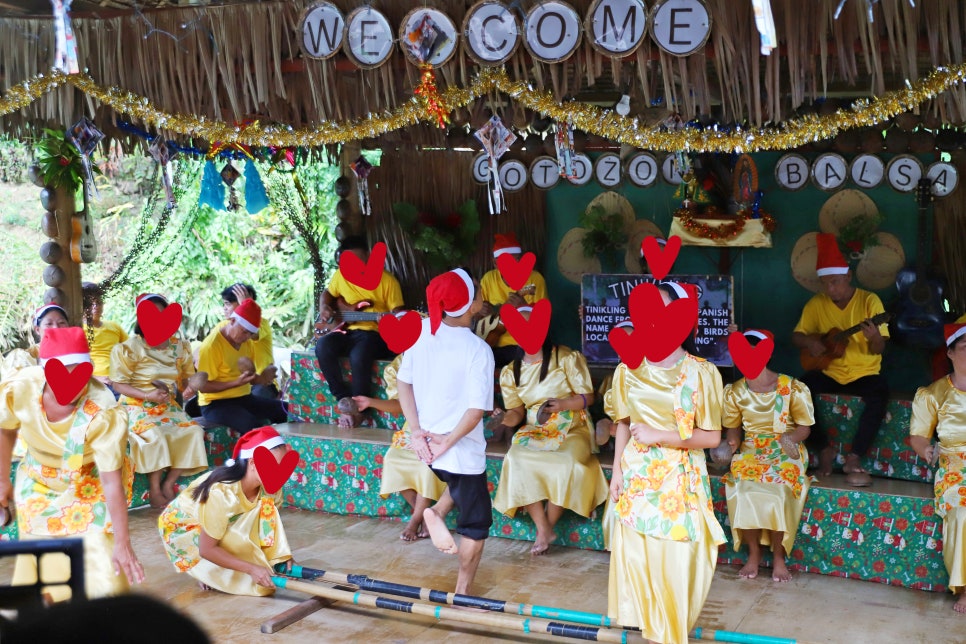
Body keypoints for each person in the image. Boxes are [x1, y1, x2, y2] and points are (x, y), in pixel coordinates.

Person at [607, 282, 725, 644]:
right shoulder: (628, 367)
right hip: (637, 475)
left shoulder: (701, 373)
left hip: (679, 480)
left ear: (681, 317)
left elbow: (712, 437)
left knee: (675, 558)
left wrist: (663, 435)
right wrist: (616, 472)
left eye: (663, 310)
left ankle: (670, 632)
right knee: (640, 555)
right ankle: (650, 627)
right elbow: (623, 421)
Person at [0, 327, 144, 600]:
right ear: (44, 373)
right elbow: (5, 429)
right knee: (41, 554)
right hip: (37, 481)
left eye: (80, 374)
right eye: (60, 375)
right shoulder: (21, 388)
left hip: (90, 482)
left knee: (99, 554)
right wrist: (2, 479)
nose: (72, 384)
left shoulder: (103, 411)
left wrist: (123, 542)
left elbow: (111, 481)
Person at [397, 268, 494, 594]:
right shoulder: (478, 349)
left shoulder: (420, 331)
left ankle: (435, 511)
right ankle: (463, 591)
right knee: (476, 527)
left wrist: (416, 431)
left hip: (427, 447)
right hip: (457, 450)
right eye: (479, 293)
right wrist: (448, 442)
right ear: (471, 305)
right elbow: (476, 411)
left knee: (457, 483)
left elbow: (403, 382)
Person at [491, 311, 608, 556]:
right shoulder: (511, 371)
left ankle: (547, 527)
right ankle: (543, 527)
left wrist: (564, 405)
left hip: (572, 426)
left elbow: (589, 396)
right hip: (536, 428)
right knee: (516, 458)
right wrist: (503, 418)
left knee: (566, 461)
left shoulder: (565, 357)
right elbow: (516, 412)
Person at [792, 233, 889, 485]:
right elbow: (797, 337)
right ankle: (823, 448)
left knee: (879, 395)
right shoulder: (816, 303)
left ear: (848, 276)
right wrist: (810, 342)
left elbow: (879, 349)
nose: (830, 289)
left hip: (864, 373)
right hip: (829, 373)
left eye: (835, 282)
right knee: (799, 390)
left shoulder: (870, 301)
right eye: (825, 283)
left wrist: (873, 337)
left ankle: (855, 456)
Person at [719, 329, 814, 583]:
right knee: (743, 488)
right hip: (750, 450)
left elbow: (804, 428)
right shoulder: (735, 391)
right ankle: (754, 554)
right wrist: (731, 443)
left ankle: (779, 558)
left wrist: (790, 439)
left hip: (785, 450)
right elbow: (733, 428)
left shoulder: (791, 388)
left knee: (778, 490)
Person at [158, 426, 294, 596]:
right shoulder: (222, 493)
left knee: (260, 562)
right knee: (257, 580)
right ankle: (204, 568)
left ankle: (218, 562)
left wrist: (280, 556)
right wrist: (252, 568)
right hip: (184, 529)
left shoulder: (271, 487)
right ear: (253, 462)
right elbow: (206, 549)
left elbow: (267, 526)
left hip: (219, 525)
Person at [110, 293, 208, 508]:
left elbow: (185, 380)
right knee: (154, 434)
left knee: (194, 431)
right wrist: (147, 395)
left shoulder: (179, 346)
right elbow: (118, 385)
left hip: (167, 407)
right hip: (135, 406)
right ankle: (154, 490)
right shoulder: (128, 348)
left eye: (162, 314)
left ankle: (168, 484)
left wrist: (193, 383)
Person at [359, 354, 453, 542]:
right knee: (392, 459)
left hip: (444, 423)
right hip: (413, 425)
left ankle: (414, 521)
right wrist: (370, 402)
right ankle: (426, 515)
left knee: (425, 465)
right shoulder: (400, 363)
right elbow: (400, 405)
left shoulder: (446, 355)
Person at [314, 236, 404, 427]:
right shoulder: (340, 276)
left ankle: (360, 411)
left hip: (375, 334)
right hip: (346, 331)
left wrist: (390, 320)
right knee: (323, 346)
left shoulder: (388, 281)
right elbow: (328, 294)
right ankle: (344, 400)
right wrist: (324, 307)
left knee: (359, 354)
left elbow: (398, 313)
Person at [909, 323, 966, 613]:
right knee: (963, 512)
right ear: (950, 353)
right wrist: (926, 449)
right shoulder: (933, 393)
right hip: (954, 466)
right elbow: (918, 436)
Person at [196, 298, 287, 434]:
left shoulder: (247, 342)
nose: (247, 337)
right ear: (232, 321)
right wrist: (235, 383)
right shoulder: (211, 346)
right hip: (215, 404)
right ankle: (248, 456)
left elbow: (250, 378)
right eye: (244, 331)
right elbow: (203, 387)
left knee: (287, 410)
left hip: (244, 398)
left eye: (250, 333)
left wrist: (262, 378)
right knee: (252, 426)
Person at [479, 232, 548, 367]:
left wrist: (524, 306)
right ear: (495, 263)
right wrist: (480, 311)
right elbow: (475, 317)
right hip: (494, 343)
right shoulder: (488, 280)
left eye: (516, 261)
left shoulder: (535, 279)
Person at [218, 283, 278, 399]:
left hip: (263, 384)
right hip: (238, 384)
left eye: (228, 304)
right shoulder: (223, 326)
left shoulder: (261, 323)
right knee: (193, 407)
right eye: (224, 304)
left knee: (250, 406)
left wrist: (247, 307)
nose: (224, 308)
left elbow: (250, 332)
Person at [1, 304, 70, 381]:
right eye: (49, 324)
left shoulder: (79, 355)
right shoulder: (20, 357)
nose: (56, 327)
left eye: (61, 322)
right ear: (37, 329)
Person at [82, 282, 128, 392]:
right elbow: (71, 365)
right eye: (89, 303)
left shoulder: (114, 327)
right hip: (93, 383)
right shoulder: (77, 330)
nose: (95, 307)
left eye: (98, 302)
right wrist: (95, 379)